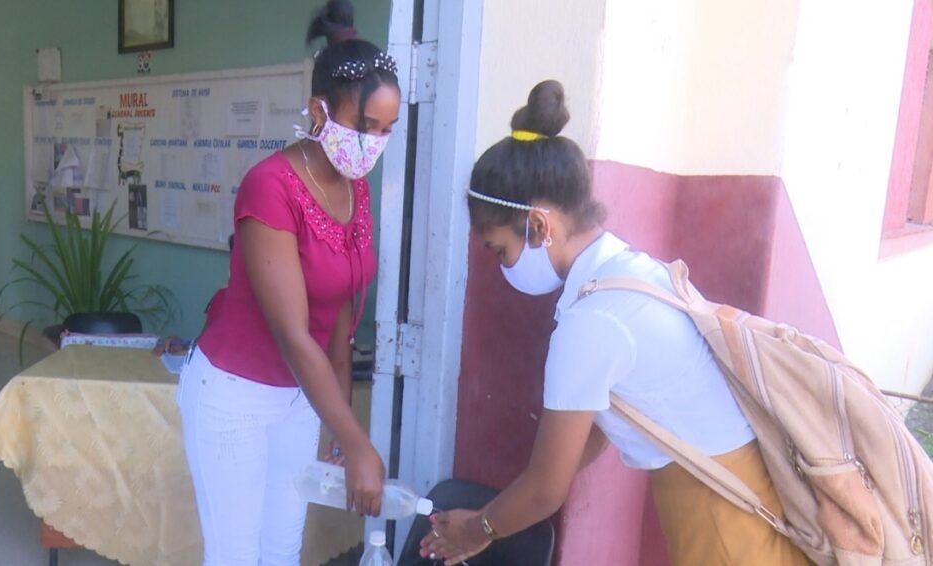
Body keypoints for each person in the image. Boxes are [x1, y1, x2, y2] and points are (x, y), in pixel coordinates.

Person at [419, 81, 809, 566]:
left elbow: (546, 490)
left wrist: (478, 530)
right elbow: (597, 423)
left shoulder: (592, 321)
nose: (501, 265)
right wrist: (518, 498)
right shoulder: (628, 272)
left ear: (539, 227)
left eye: (500, 249)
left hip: (720, 516)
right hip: (739, 488)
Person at [176, 1, 400, 563]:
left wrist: (336, 420)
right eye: (363, 126)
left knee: (281, 547)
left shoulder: (356, 188)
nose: (373, 143)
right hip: (235, 394)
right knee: (235, 554)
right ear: (318, 111)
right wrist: (356, 441)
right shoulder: (268, 187)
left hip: (301, 397)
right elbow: (295, 335)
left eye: (387, 130)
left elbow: (343, 317)